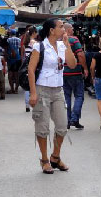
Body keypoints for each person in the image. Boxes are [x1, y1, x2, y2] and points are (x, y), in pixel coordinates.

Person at [28, 18, 76, 174]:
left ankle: (55, 156)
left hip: (58, 90)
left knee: (62, 126)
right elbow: (31, 70)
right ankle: (44, 160)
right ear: (52, 30)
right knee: (42, 128)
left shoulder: (62, 46)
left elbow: (73, 64)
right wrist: (33, 92)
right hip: (42, 89)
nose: (64, 29)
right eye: (61, 27)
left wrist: (67, 45)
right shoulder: (39, 46)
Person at [63, 23, 88, 129]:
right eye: (72, 29)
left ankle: (68, 121)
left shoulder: (58, 41)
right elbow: (80, 54)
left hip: (63, 73)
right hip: (75, 72)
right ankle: (74, 119)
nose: (73, 31)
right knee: (79, 96)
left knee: (67, 97)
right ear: (68, 30)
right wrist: (85, 68)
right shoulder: (73, 40)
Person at [21, 26, 38, 112]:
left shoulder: (26, 42)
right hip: (33, 64)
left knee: (27, 85)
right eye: (36, 32)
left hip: (26, 65)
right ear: (34, 33)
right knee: (33, 84)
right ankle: (34, 103)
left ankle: (27, 104)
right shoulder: (33, 42)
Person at [6, 29, 21, 94]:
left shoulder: (8, 40)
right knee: (17, 75)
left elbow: (6, 49)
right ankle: (16, 89)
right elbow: (20, 49)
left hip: (11, 59)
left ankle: (12, 89)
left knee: (10, 75)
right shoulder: (19, 40)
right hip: (17, 59)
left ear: (10, 34)